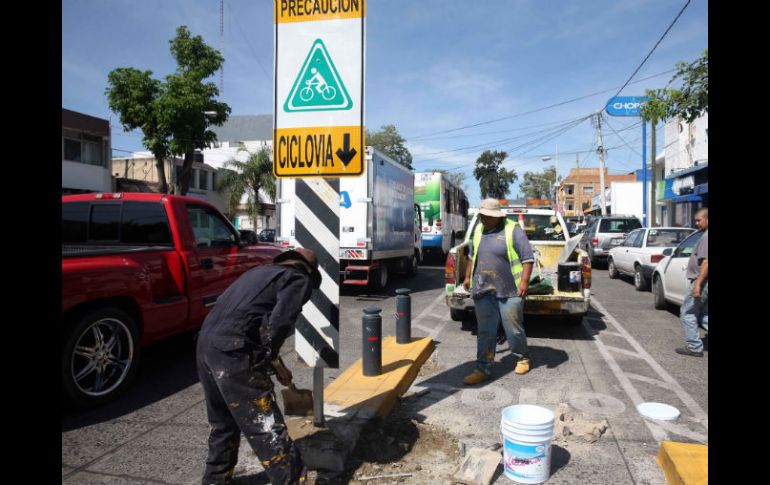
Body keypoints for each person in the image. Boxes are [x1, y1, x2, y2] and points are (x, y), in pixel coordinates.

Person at [196, 248, 322, 485]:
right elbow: (280, 322)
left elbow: (254, 323)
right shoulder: (297, 278)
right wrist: (266, 359)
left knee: (223, 423)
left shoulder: (258, 273)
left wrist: (277, 364)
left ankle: (215, 480)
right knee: (267, 428)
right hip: (234, 352)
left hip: (206, 346)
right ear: (307, 270)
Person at [462, 199, 535, 385]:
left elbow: (528, 258)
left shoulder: (513, 230)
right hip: (483, 288)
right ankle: (482, 368)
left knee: (513, 328)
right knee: (485, 331)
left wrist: (524, 282)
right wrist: (467, 277)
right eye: (482, 216)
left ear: (498, 217)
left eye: (488, 217)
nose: (484, 219)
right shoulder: (479, 230)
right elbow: (472, 256)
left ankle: (522, 357)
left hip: (510, 289)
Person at [676, 208, 708, 357]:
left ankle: (694, 347)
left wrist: (697, 285)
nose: (696, 223)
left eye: (699, 220)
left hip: (702, 281)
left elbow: (706, 263)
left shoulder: (706, 237)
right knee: (703, 314)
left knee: (687, 313)